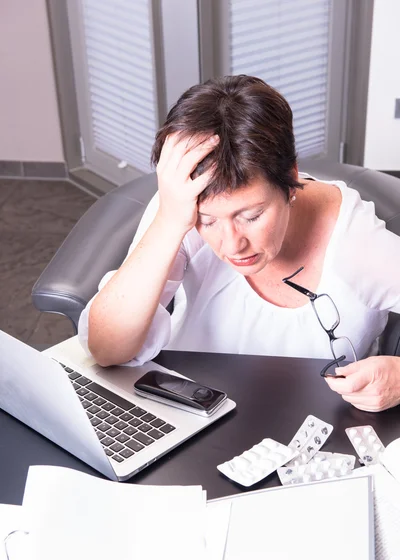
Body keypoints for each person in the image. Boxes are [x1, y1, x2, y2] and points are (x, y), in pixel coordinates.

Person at [78, 75, 400, 413]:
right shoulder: (182, 208)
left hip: (308, 431)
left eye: (251, 215)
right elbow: (106, 349)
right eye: (209, 221)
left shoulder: (358, 243)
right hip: (188, 411)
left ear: (291, 181)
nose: (232, 245)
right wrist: (170, 221)